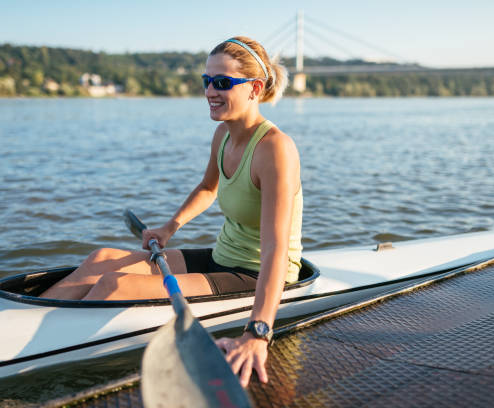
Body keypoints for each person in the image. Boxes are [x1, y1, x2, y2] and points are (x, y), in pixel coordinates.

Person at [40, 36, 303, 388]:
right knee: (100, 259)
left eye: (222, 82)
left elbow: (275, 249)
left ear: (255, 88)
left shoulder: (276, 149)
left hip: (257, 273)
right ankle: (23, 322)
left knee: (113, 285)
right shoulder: (223, 134)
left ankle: (42, 351)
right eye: (206, 81)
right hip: (222, 256)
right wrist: (168, 228)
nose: (210, 90)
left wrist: (258, 331)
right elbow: (208, 188)